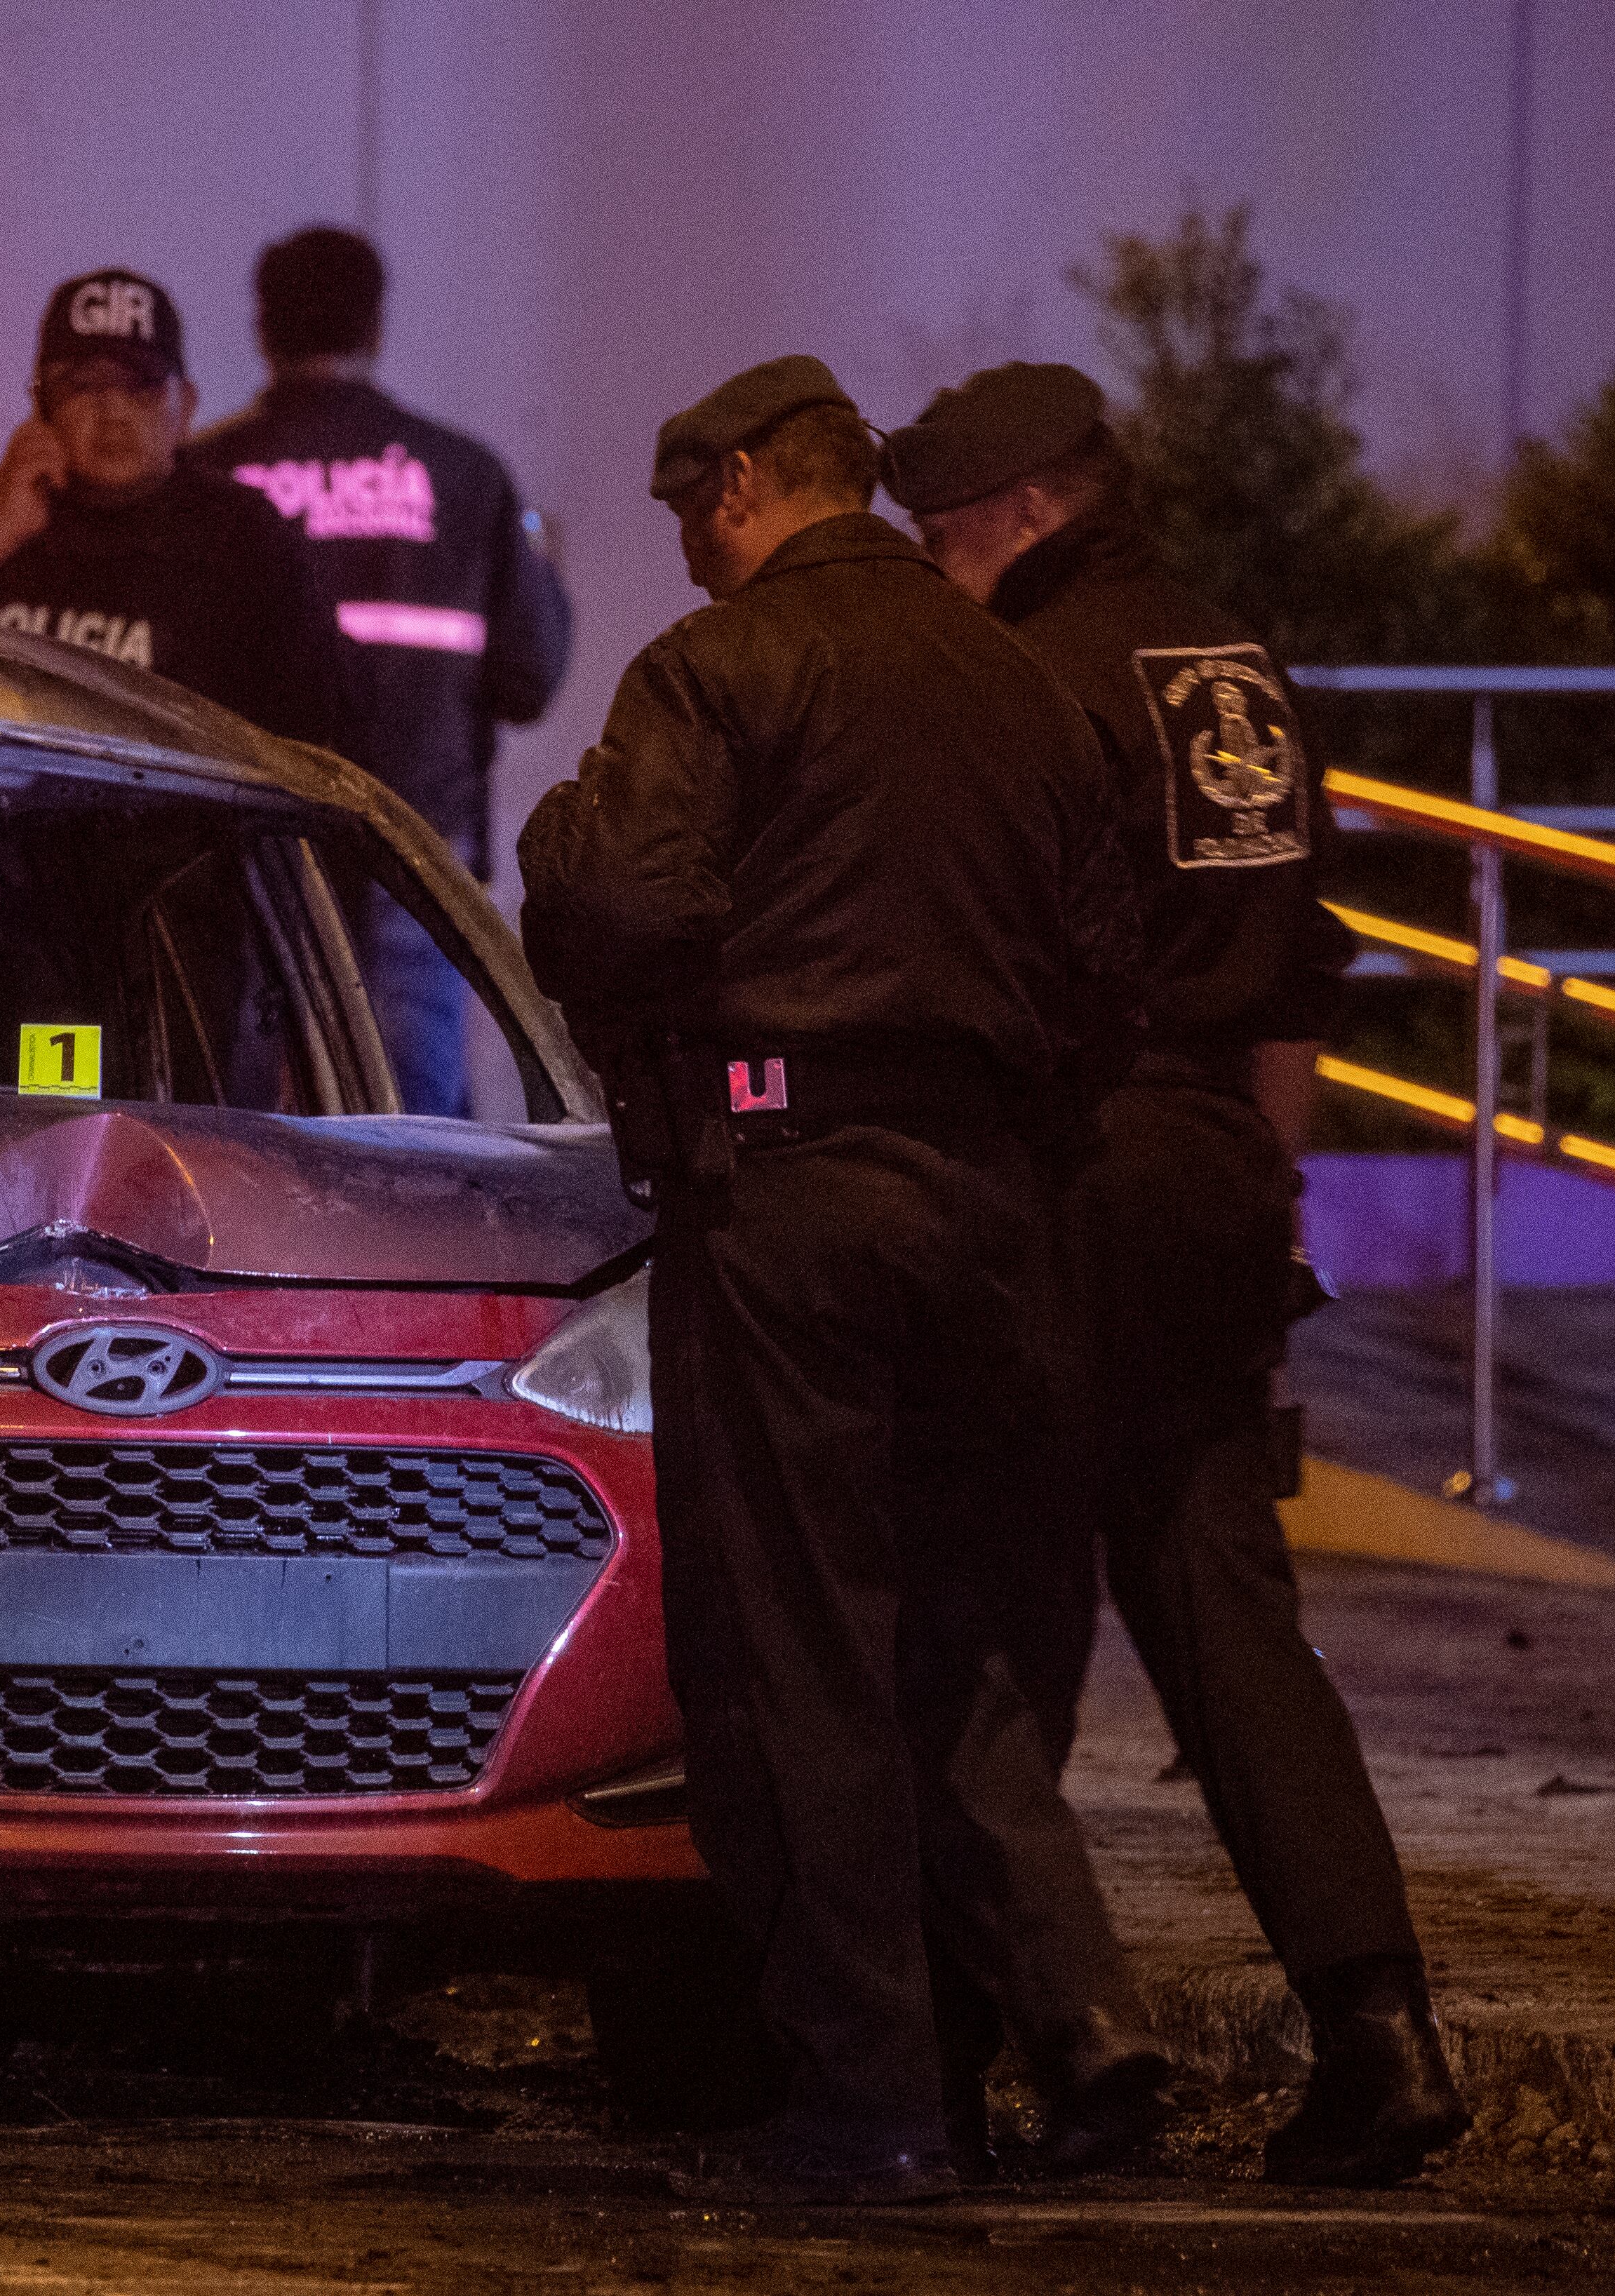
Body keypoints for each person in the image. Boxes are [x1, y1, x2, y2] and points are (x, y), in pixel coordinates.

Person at [518, 356, 1163, 2203]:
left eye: (683, 519)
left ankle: (868, 2096)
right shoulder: (1022, 682)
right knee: (962, 1636)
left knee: (794, 1645)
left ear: (737, 484)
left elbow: (619, 905)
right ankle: (1083, 2023)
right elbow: (1110, 968)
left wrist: (574, 850)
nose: (686, 556)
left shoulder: (717, 673)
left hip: (787, 1190)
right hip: (990, 1201)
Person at [887, 360, 1470, 2189]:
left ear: (1028, 513)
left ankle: (1018, 2044)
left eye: (941, 529)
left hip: (1074, 1159)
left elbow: (994, 966)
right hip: (1221, 1161)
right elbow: (1300, 968)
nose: (927, 561)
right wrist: (1248, 1193)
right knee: (1227, 1613)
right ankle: (1378, 2032)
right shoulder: (1233, 666)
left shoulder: (1027, 681)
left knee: (981, 1603)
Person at [187, 227, 572, 1113]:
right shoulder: (464, 478)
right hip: (416, 860)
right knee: (413, 1150)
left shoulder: (208, 476)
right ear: (374, 325)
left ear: (263, 328)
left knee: (235, 1141)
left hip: (242, 866)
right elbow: (533, 676)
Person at [0, 268, 340, 749]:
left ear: (183, 407)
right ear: (41, 409)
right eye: (83, 385)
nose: (113, 410)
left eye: (139, 385)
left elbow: (324, 730)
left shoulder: (244, 540)